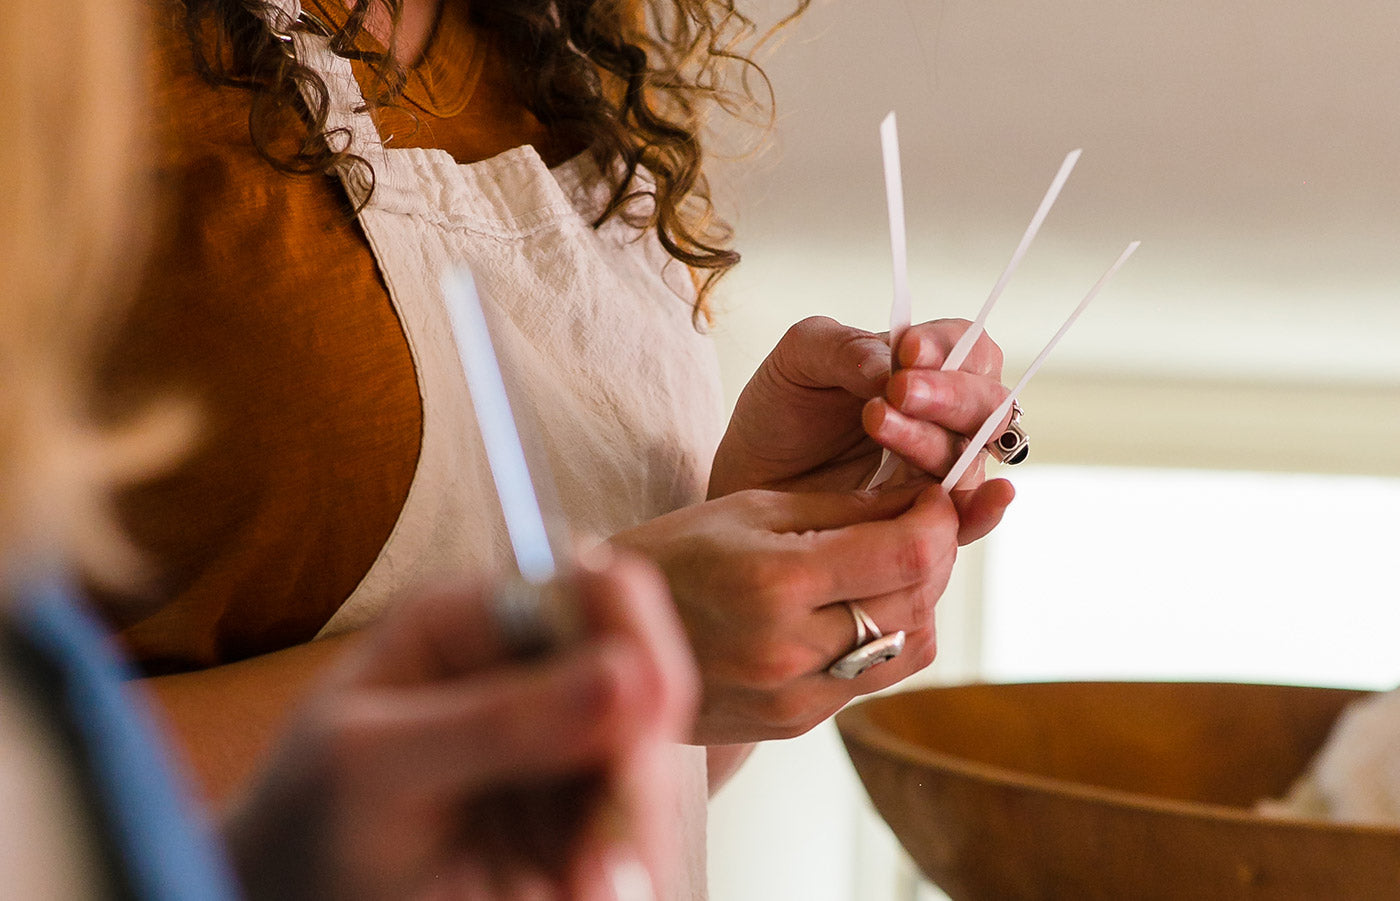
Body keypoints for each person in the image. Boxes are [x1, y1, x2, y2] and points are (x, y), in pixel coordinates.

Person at [97, 0, 1017, 893]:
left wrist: (770, 547)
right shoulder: (72, 57)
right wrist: (595, 641)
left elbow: (628, 797)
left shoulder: (560, 53)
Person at [2, 0, 700, 897]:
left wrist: (771, 568)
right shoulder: (64, 49)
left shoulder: (572, 35)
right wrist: (645, 636)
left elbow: (654, 800)